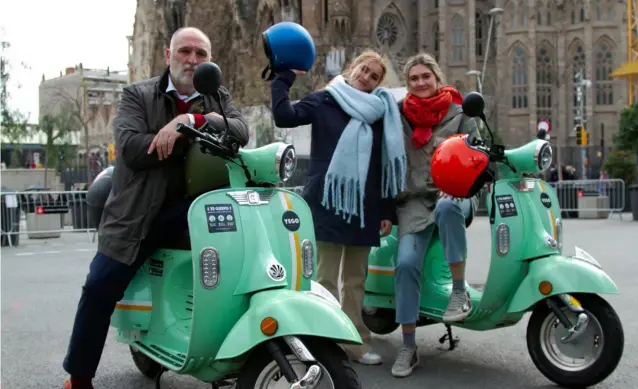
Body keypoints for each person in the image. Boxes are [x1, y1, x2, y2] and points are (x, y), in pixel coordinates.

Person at [62, 27, 249, 389]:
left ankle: (222, 358)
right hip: (138, 211)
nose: (192, 60)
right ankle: (79, 377)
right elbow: (132, 148)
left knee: (231, 274)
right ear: (168, 55)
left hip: (195, 208)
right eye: (185, 52)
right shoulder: (137, 94)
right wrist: (182, 141)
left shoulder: (216, 95)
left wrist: (190, 121)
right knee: (99, 287)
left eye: (201, 54)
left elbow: (240, 131)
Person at [271, 50, 407, 365]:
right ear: (353, 67)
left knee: (356, 282)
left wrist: (387, 210)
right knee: (324, 280)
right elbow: (284, 116)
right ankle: (321, 343)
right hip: (327, 201)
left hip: (365, 206)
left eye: (374, 76)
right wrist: (283, 79)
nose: (367, 77)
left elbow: (383, 165)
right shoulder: (325, 100)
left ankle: (356, 343)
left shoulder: (380, 112)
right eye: (364, 70)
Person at [391, 53, 482, 378]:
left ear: (437, 77)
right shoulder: (399, 116)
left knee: (447, 206)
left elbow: (480, 154)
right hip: (414, 201)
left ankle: (459, 292)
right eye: (413, 78)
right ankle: (408, 346)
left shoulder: (459, 113)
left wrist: (459, 184)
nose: (420, 83)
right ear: (408, 84)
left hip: (455, 194)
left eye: (425, 76)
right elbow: (388, 160)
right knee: (404, 265)